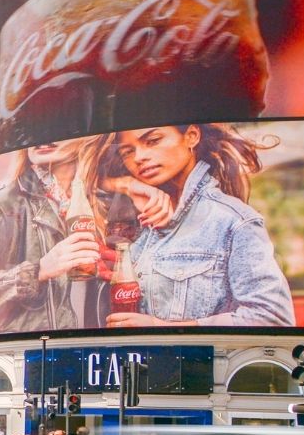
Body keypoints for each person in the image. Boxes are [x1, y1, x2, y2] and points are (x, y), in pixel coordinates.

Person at [101, 123, 292, 327]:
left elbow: (273, 318)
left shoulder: (234, 221)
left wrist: (163, 328)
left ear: (191, 136)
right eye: (128, 152)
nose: (139, 157)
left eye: (153, 141)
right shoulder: (127, 213)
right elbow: (76, 179)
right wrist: (125, 184)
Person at [0, 137, 100, 333]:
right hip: (30, 356)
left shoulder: (98, 201)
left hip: (92, 351)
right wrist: (38, 271)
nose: (44, 137)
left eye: (59, 128)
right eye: (35, 130)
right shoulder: (2, 207)